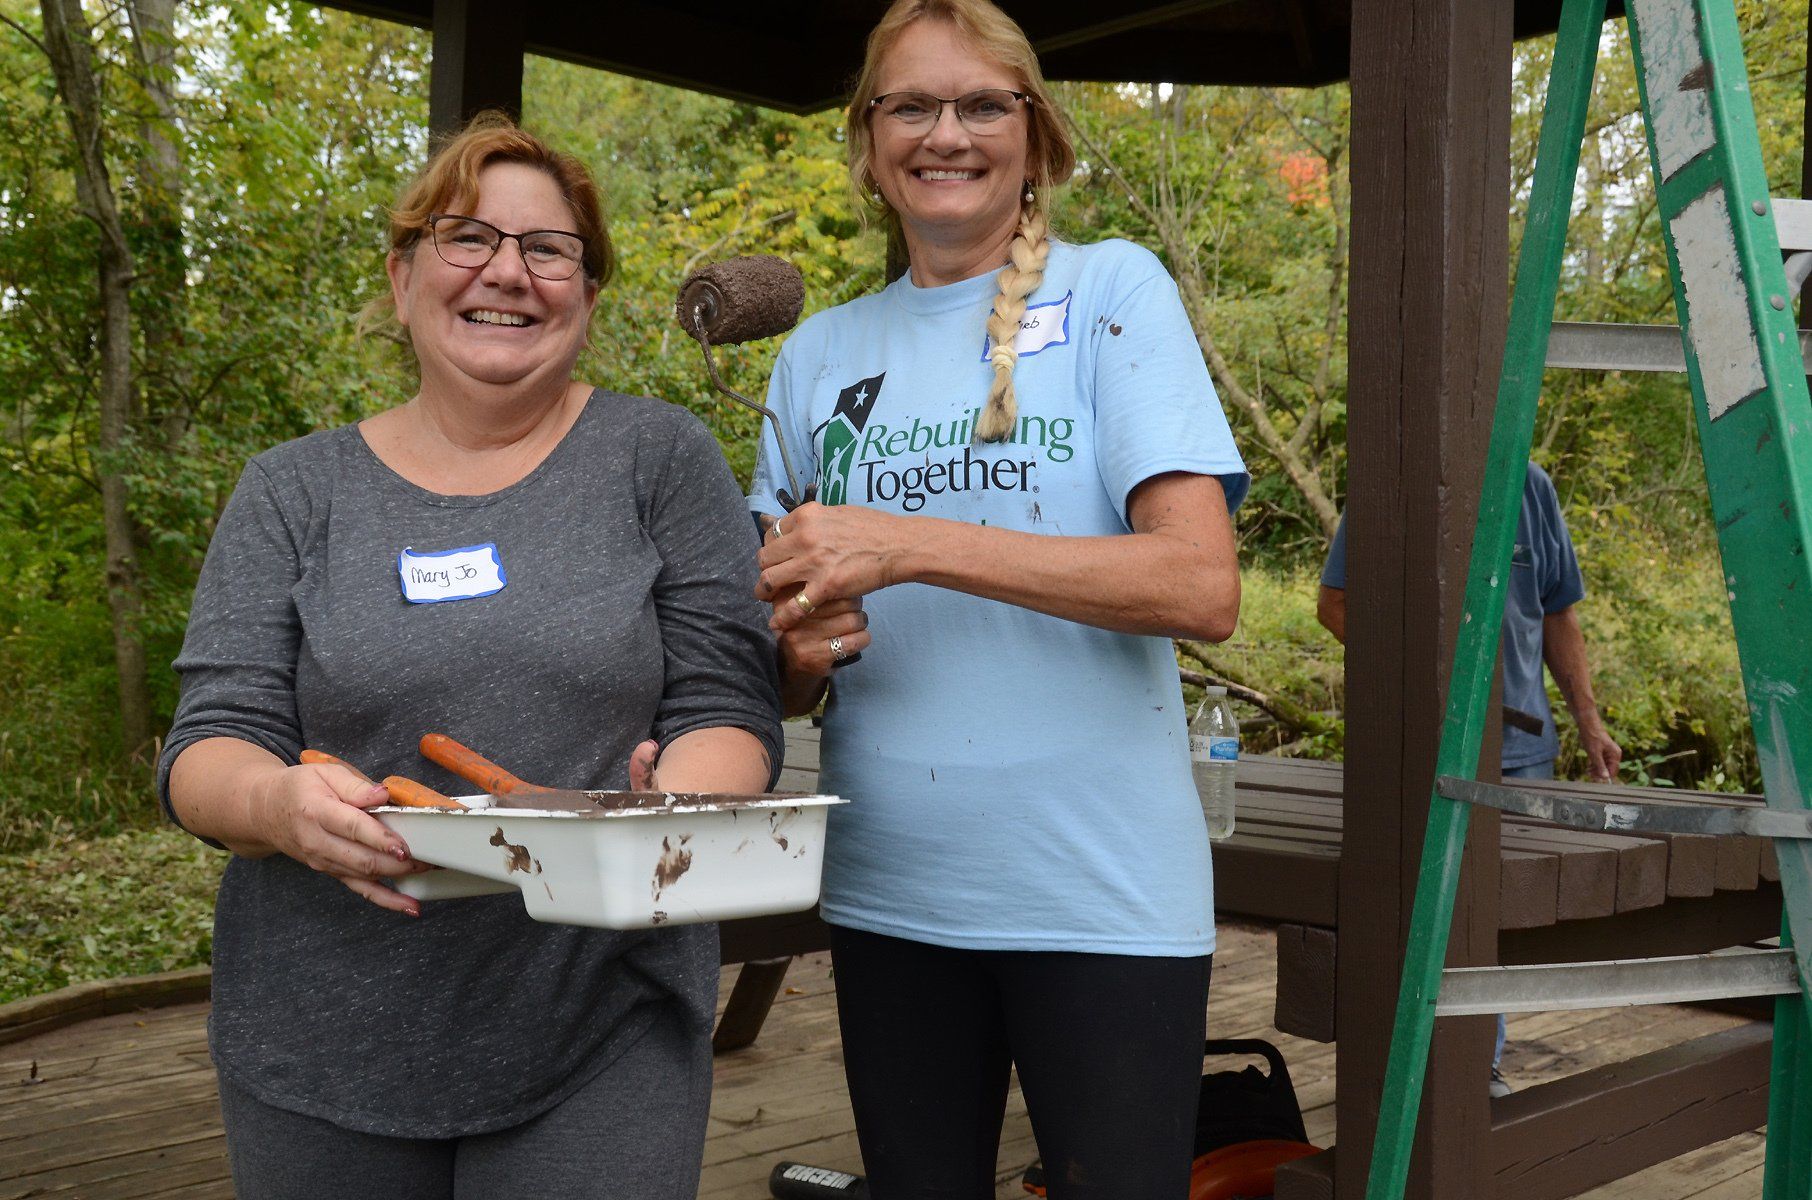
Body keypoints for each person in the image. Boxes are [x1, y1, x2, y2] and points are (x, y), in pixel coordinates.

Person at [156, 115, 781, 1199]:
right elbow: (209, 744)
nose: (508, 271)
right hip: (319, 1033)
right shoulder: (292, 491)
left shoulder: (660, 458)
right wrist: (275, 805)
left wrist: (660, 818)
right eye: (468, 238)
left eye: (549, 248)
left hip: (603, 1012)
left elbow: (728, 705)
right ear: (402, 280)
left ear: (588, 296)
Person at [746, 3, 1248, 1196]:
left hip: (1103, 896)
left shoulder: (1114, 290)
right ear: (869, 140)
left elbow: (1199, 583)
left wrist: (910, 545)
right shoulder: (817, 355)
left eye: (982, 104)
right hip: (890, 892)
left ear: (1037, 134)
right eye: (910, 107)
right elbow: (781, 674)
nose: (946, 134)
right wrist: (801, 651)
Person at [1317, 460, 1622, 1095]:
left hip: (1522, 750)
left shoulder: (1531, 484)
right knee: (1417, 911)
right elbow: (1336, 605)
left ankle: (1476, 1068)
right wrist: (1420, 676)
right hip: (1418, 750)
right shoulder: (1393, 477)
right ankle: (1404, 1072)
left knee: (1494, 919)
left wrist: (1590, 723)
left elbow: (1559, 614)